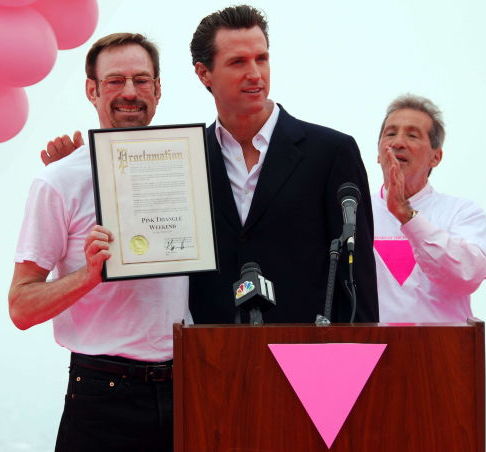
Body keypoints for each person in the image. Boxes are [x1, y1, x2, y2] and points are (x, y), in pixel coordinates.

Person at [8, 33, 190, 452]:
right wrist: (90, 276)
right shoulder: (58, 181)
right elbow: (21, 306)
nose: (130, 92)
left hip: (188, 387)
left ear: (159, 89)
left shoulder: (190, 171)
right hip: (101, 396)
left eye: (142, 80)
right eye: (115, 81)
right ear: (91, 90)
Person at [188, 5, 379, 324]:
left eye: (261, 59)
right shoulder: (188, 157)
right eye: (238, 62)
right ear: (203, 73)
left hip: (308, 358)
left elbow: (356, 275)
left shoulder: (331, 151)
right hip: (213, 357)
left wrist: (363, 358)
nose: (255, 74)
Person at [373, 94, 486, 322]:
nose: (398, 143)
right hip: (371, 351)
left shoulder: (462, 212)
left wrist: (407, 216)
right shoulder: (353, 211)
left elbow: (467, 275)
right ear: (378, 153)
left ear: (436, 156)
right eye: (391, 134)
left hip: (441, 351)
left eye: (412, 135)